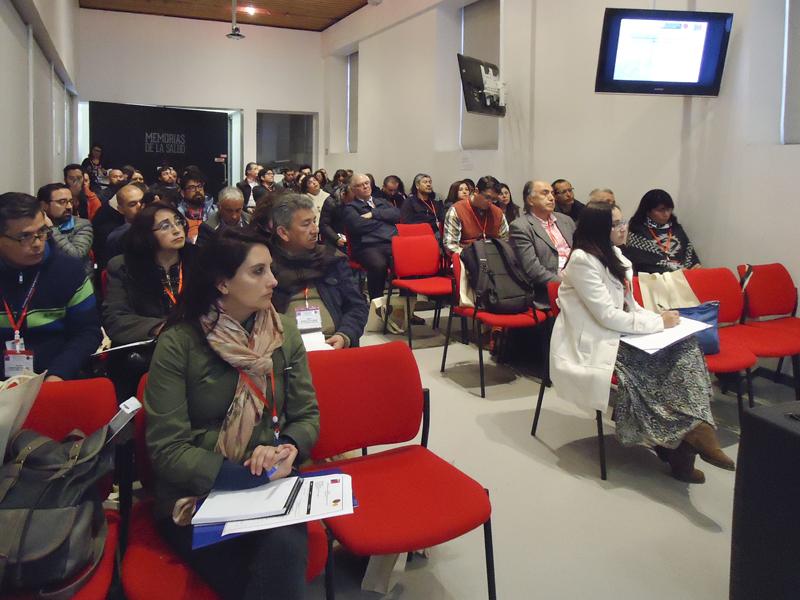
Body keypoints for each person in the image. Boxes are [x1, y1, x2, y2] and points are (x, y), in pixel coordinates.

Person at [144, 227, 319, 599]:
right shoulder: (179, 343)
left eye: (271, 269)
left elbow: (306, 416)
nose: (273, 280)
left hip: (274, 480)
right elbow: (168, 450)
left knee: (282, 554)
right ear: (222, 283)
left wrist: (286, 448)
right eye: (258, 272)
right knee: (253, 578)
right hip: (198, 491)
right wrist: (244, 475)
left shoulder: (283, 333)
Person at [549, 201, 734, 483]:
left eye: (622, 222)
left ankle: (693, 434)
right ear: (599, 228)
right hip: (596, 338)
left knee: (686, 347)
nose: (624, 228)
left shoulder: (615, 256)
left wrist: (661, 318)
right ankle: (682, 444)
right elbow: (607, 315)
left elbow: (629, 306)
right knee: (651, 372)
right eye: (616, 224)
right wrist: (658, 323)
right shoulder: (582, 261)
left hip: (621, 331)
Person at [0, 192, 102, 381]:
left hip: (55, 375)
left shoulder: (68, 270)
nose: (38, 243)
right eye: (25, 237)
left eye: (42, 232)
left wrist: (59, 373)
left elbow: (88, 332)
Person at [270, 195, 368, 348]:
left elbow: (357, 306)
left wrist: (344, 335)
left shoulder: (332, 259)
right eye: (306, 224)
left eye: (314, 221)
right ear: (283, 233)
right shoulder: (268, 266)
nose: (315, 230)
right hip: (285, 348)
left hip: (331, 343)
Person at [509, 180, 575, 306]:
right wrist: (566, 284)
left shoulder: (566, 220)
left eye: (552, 193)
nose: (551, 198)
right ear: (530, 200)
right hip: (548, 290)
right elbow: (533, 270)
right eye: (545, 193)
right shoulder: (520, 227)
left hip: (577, 279)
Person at [342, 173, 400, 300]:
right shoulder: (350, 208)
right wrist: (384, 221)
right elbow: (358, 226)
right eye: (360, 185)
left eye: (367, 183)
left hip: (389, 243)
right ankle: (376, 302)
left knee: (408, 262)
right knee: (379, 265)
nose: (365, 187)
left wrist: (373, 214)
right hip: (366, 247)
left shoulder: (382, 202)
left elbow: (397, 215)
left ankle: (408, 307)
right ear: (353, 189)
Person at [623, 189, 701, 274]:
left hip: (683, 277)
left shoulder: (676, 228)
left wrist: (694, 267)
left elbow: (690, 255)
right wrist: (675, 272)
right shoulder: (637, 231)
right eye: (661, 210)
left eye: (669, 209)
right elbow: (644, 264)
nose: (666, 214)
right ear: (648, 211)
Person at [37, 182, 94, 276]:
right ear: (44, 205)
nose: (69, 207)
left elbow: (76, 256)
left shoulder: (82, 225)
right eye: (62, 202)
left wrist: (52, 229)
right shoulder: (36, 227)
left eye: (70, 202)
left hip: (74, 280)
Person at [443, 175, 508, 255]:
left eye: (494, 199)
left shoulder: (498, 213)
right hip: (468, 257)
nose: (490, 202)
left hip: (493, 256)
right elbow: (450, 245)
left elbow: (505, 241)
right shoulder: (456, 210)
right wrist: (470, 257)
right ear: (476, 191)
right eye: (487, 197)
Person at [177, 172, 217, 242]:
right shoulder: (178, 214)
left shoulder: (215, 210)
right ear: (183, 193)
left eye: (200, 186)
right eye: (192, 187)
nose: (197, 190)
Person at [319, 184, 351, 249]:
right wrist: (336, 238)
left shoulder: (354, 198)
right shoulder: (330, 202)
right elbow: (324, 224)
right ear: (343, 194)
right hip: (335, 236)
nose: (352, 202)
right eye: (349, 200)